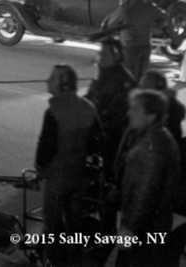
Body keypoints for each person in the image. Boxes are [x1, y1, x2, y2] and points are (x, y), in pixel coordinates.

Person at [35, 64, 101, 267]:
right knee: (75, 225)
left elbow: (46, 149)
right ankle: (75, 259)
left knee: (52, 225)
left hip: (56, 178)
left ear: (63, 85)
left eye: (52, 78)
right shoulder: (88, 107)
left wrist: (39, 171)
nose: (47, 80)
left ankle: (53, 260)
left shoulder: (54, 111)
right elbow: (96, 143)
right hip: (78, 176)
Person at [115, 89, 181, 267]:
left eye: (135, 109)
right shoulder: (161, 137)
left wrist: (129, 228)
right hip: (155, 225)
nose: (129, 113)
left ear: (151, 116)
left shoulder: (151, 148)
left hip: (143, 229)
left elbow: (144, 194)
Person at [85, 38, 136, 179]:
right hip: (98, 124)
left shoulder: (123, 81)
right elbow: (90, 96)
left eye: (105, 54)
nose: (100, 56)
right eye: (100, 53)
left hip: (112, 132)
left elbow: (118, 115)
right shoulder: (103, 73)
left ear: (117, 56)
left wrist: (93, 123)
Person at [103, 0, 170, 81]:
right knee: (142, 76)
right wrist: (156, 26)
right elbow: (165, 18)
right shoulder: (150, 7)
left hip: (129, 47)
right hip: (145, 46)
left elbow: (109, 23)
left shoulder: (124, 9)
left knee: (129, 76)